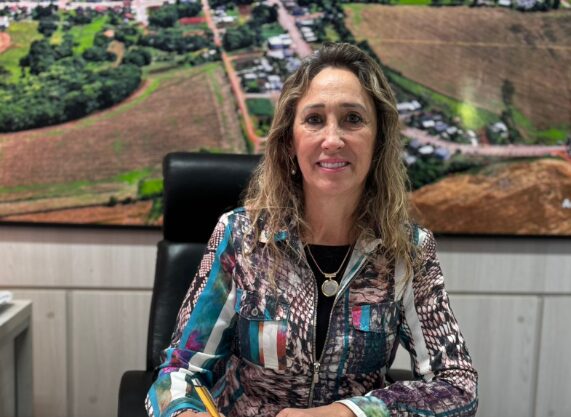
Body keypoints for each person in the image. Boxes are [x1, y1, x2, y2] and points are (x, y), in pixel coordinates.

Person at [145, 42, 478, 417]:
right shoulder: (240, 235)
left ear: (379, 140)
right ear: (290, 141)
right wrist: (185, 412)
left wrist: (348, 413)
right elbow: (177, 372)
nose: (332, 140)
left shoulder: (408, 249)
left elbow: (457, 386)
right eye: (315, 119)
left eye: (353, 119)